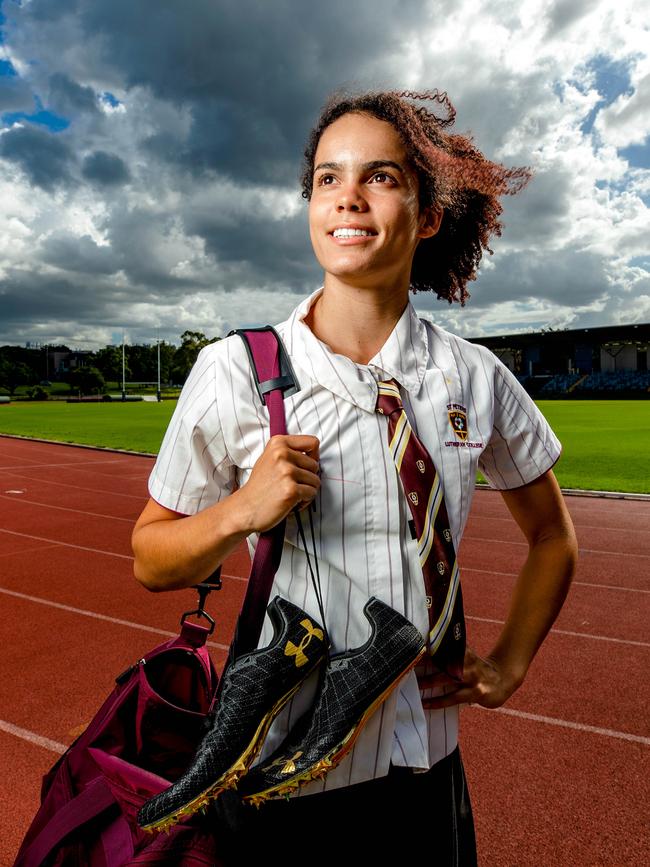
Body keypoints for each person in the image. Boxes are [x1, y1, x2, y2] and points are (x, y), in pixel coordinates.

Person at [132, 89, 578, 864]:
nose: (348, 196)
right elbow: (151, 558)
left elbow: (552, 535)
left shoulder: (476, 376)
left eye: (381, 177)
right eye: (328, 179)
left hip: (426, 770)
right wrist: (241, 509)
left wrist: (509, 662)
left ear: (428, 213)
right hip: (280, 785)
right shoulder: (234, 371)